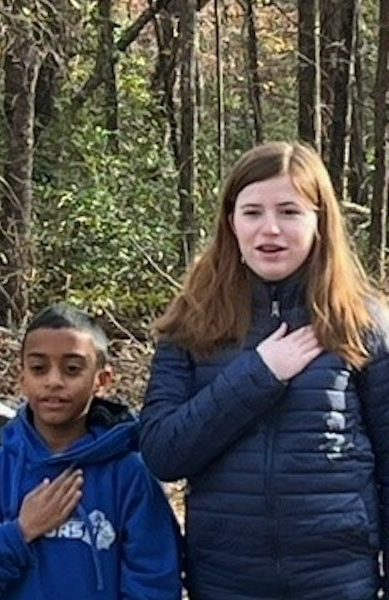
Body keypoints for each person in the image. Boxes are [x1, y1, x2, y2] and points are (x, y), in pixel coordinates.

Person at [140, 141, 389, 600]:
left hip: (337, 585)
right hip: (226, 583)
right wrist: (259, 375)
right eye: (252, 212)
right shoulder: (190, 323)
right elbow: (161, 453)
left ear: (319, 222)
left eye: (290, 211)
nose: (270, 229)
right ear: (230, 222)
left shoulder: (364, 324)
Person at [0, 304, 182, 600]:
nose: (53, 381)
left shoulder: (131, 475)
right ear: (22, 377)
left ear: (101, 380)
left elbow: (155, 585)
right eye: (39, 368)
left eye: (72, 369)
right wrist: (20, 531)